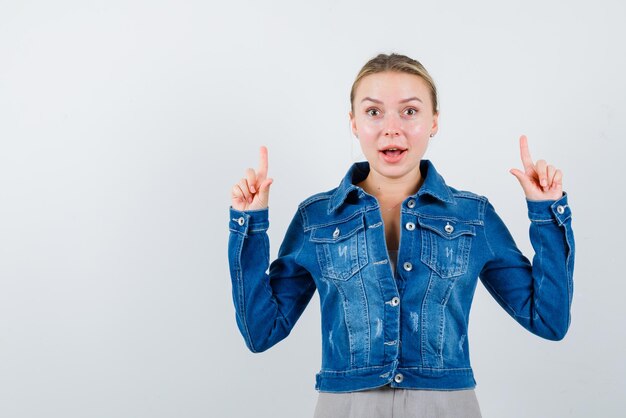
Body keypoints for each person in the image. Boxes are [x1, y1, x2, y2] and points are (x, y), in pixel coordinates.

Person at [227, 53, 574, 418]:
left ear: (434, 121)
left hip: (446, 406)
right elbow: (261, 332)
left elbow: (548, 320)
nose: (391, 128)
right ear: (354, 123)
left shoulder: (473, 216)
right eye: (374, 112)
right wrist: (249, 223)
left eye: (409, 111)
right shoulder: (316, 218)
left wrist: (547, 214)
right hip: (346, 407)